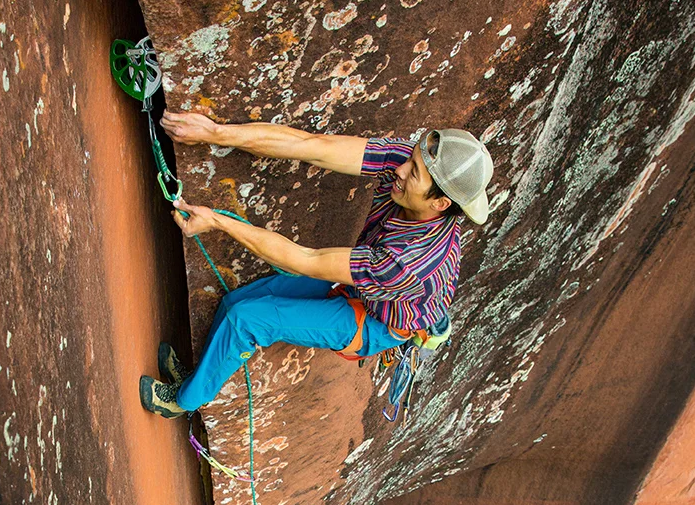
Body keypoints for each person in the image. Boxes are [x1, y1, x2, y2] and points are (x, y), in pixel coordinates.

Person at [139, 112, 493, 418]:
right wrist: (215, 132)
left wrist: (219, 222)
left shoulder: (412, 263)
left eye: (413, 171)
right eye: (410, 158)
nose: (400, 168)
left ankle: (184, 401)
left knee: (247, 320)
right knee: (236, 302)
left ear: (441, 204)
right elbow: (314, 146)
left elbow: (307, 260)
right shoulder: (411, 168)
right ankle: (196, 377)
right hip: (363, 285)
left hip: (375, 321)